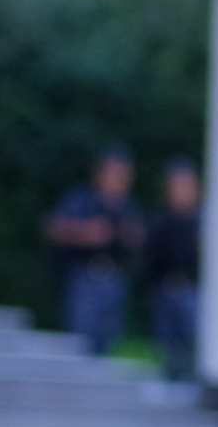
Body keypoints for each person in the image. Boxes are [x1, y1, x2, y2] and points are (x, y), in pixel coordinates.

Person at [43, 149, 143, 356]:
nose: (119, 180)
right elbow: (52, 227)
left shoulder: (127, 205)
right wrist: (84, 231)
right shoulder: (81, 199)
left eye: (124, 175)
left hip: (114, 278)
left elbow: (139, 236)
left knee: (108, 340)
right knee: (80, 340)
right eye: (115, 173)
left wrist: (131, 236)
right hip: (85, 277)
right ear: (100, 173)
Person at [143, 159, 204, 381]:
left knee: (193, 343)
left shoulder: (204, 221)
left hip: (193, 290)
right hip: (165, 291)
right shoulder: (160, 219)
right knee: (167, 347)